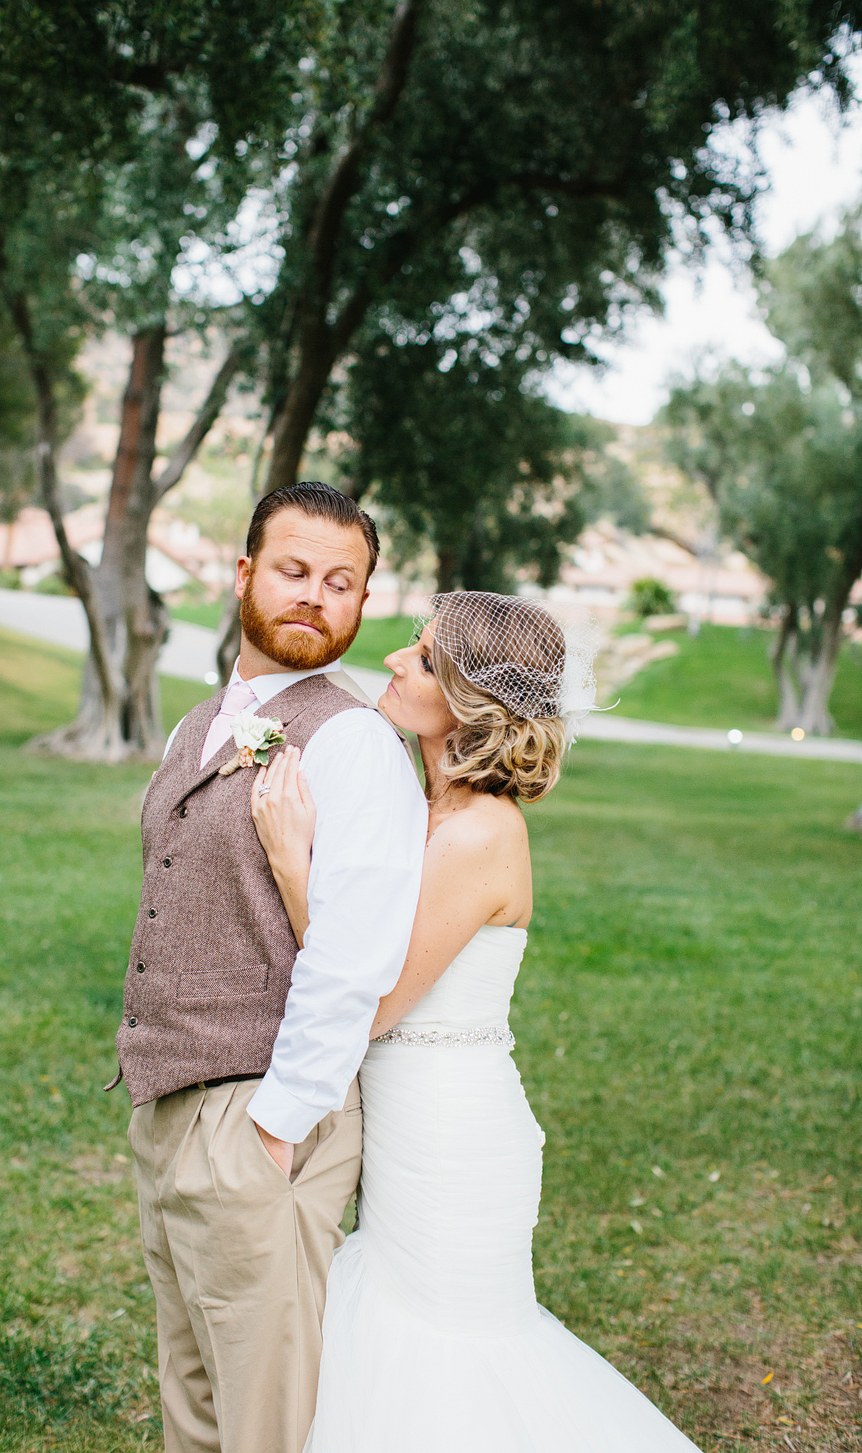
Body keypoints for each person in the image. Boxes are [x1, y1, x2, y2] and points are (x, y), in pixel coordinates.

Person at [251, 591, 700, 1451]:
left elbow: (371, 1003)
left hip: (449, 1140)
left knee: (444, 1361)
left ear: (466, 700)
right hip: (406, 1123)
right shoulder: (429, 811)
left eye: (420, 659)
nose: (390, 662)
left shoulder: (478, 836)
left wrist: (290, 863)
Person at [115, 481, 428, 1453]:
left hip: (259, 1117)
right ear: (243, 574)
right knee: (193, 1390)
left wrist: (275, 1124)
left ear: (360, 604)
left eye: (341, 582)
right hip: (166, 1103)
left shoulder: (357, 743)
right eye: (293, 571)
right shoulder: (193, 725)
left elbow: (352, 956)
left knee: (263, 1416)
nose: (314, 596)